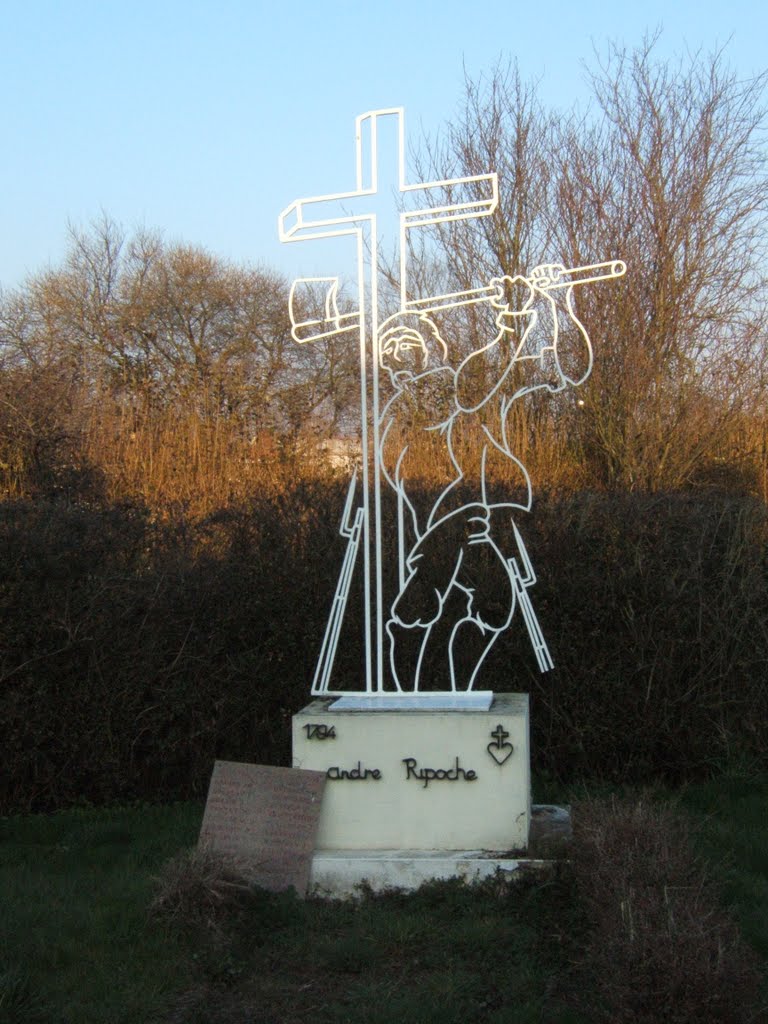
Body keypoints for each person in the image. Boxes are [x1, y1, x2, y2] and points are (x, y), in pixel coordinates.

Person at [377, 266, 588, 691]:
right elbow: (461, 398)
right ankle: (417, 617)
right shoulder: (401, 420)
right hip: (442, 545)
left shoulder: (478, 393)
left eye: (410, 344)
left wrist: (556, 302)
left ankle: (427, 623)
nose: (399, 355)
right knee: (435, 641)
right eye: (391, 348)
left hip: (491, 531)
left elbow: (570, 368)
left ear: (435, 350)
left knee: (488, 605)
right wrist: (511, 327)